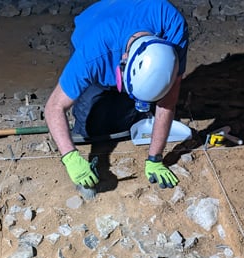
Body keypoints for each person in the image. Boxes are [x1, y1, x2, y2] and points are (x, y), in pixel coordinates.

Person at [45, 0, 189, 190]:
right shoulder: (92, 55)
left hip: (126, 23)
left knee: (125, 119)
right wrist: (70, 157)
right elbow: (54, 107)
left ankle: (129, 103)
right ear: (123, 61)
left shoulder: (173, 29)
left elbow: (167, 103)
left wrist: (155, 158)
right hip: (92, 26)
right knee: (91, 127)